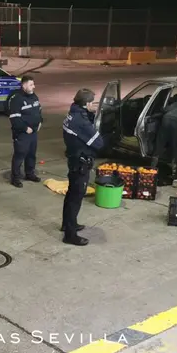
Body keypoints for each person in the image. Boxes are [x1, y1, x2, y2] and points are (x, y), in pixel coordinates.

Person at [61, 88, 104, 246]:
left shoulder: (73, 114)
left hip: (74, 160)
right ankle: (70, 235)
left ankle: (67, 224)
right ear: (86, 104)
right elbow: (99, 143)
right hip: (80, 163)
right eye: (92, 102)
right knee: (76, 199)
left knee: (71, 195)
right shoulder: (81, 122)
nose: (93, 104)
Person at [8, 75, 43, 187]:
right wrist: (25, 128)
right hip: (22, 133)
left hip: (33, 133)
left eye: (33, 84)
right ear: (24, 85)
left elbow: (39, 110)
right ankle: (15, 178)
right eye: (31, 85)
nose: (34, 87)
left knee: (31, 155)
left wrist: (40, 122)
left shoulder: (34, 96)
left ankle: (30, 173)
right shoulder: (17, 99)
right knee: (19, 155)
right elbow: (14, 118)